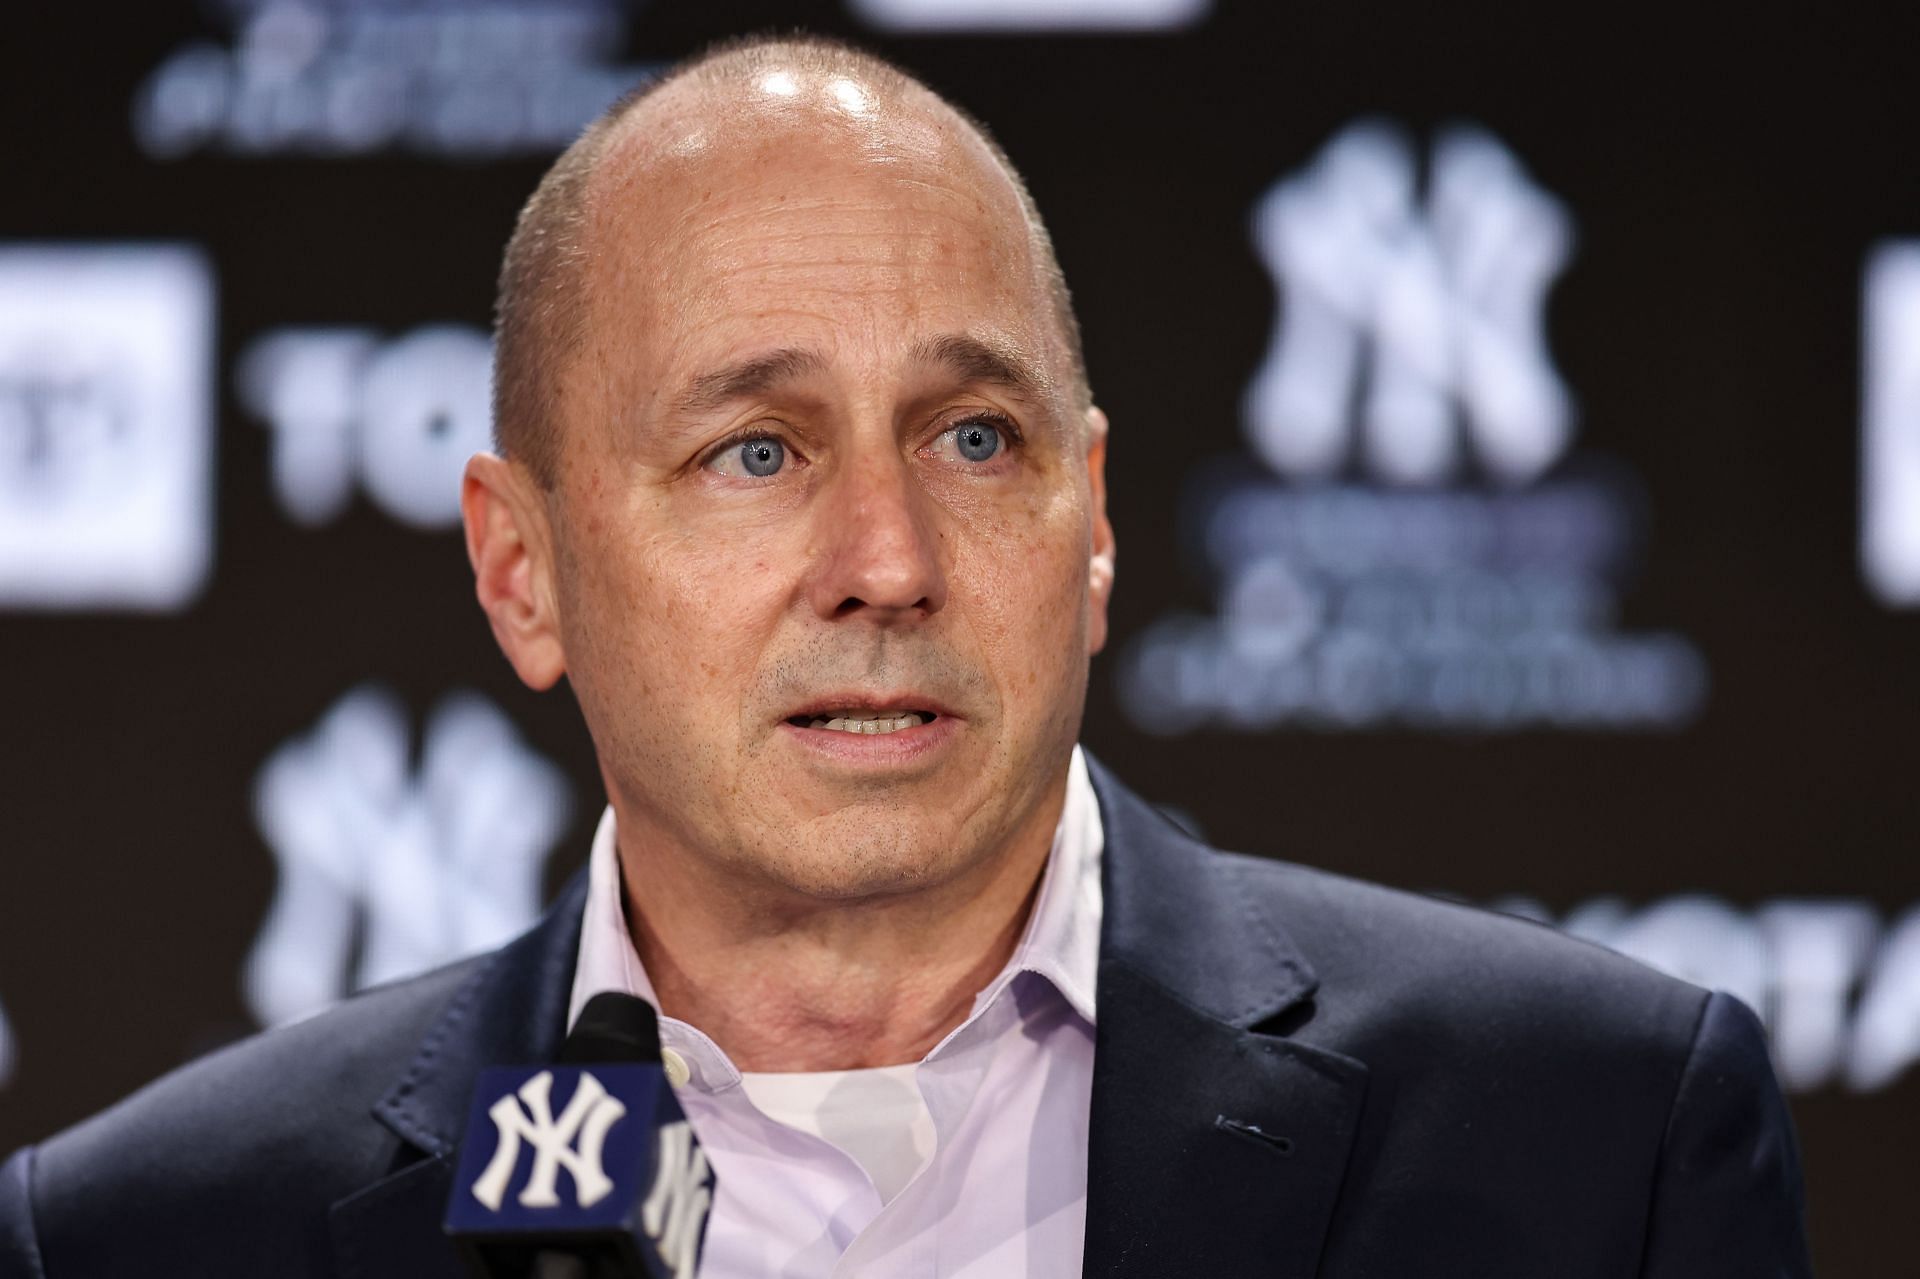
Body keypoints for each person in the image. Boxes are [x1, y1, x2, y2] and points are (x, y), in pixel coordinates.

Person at [0, 34, 1808, 1279]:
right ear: (523, 569)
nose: (886, 563)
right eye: (757, 454)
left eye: (970, 439)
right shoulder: (142, 1239)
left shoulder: (1594, 1146)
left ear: (1092, 520)